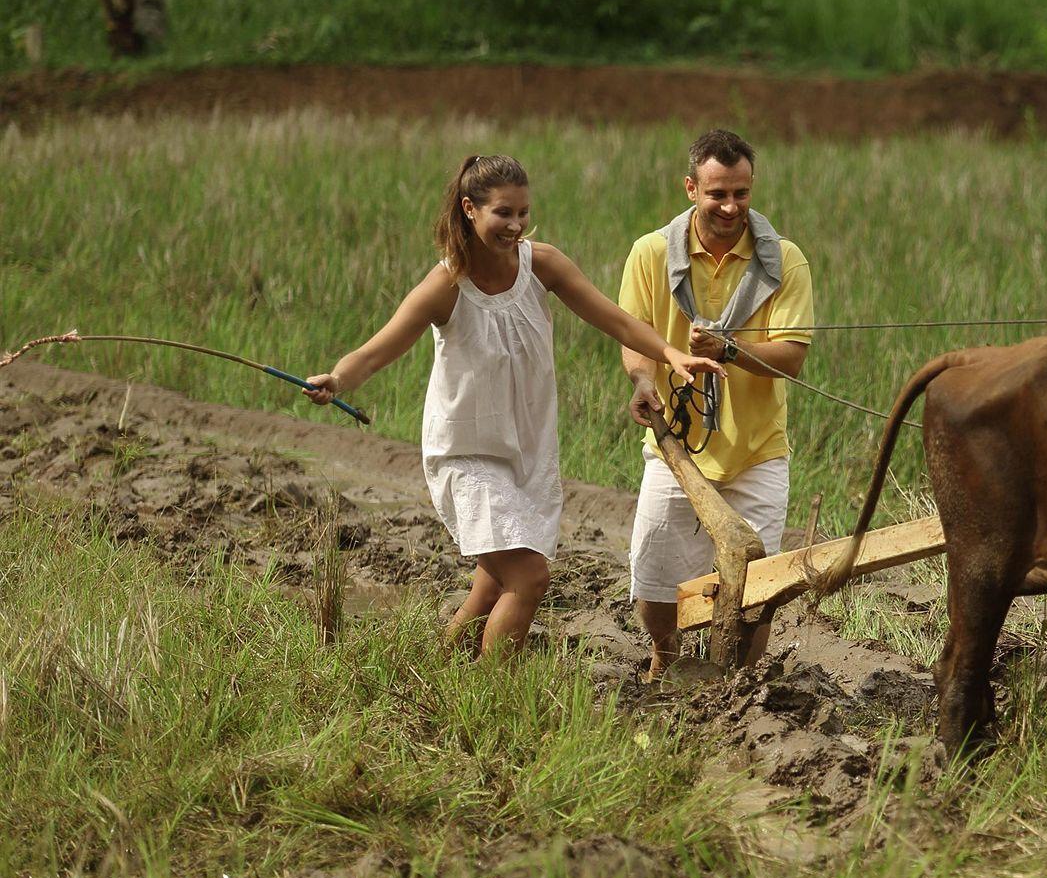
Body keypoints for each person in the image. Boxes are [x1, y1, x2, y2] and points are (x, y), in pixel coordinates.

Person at [303, 153, 722, 658]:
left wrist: (670, 353)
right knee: (528, 579)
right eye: (503, 212)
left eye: (523, 212)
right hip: (467, 453)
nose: (516, 224)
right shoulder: (446, 286)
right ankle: (491, 696)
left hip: (526, 452)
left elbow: (613, 318)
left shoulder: (540, 263)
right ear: (469, 209)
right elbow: (377, 349)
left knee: (489, 586)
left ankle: (438, 667)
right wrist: (338, 379)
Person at [619, 129, 814, 677]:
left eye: (741, 194)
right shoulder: (651, 253)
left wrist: (729, 349)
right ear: (690, 189)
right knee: (656, 579)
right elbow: (634, 340)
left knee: (756, 590)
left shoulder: (785, 261)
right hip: (674, 446)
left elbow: (791, 358)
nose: (731, 206)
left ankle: (737, 685)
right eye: (717, 194)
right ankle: (666, 660)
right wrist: (642, 381)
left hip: (757, 450)